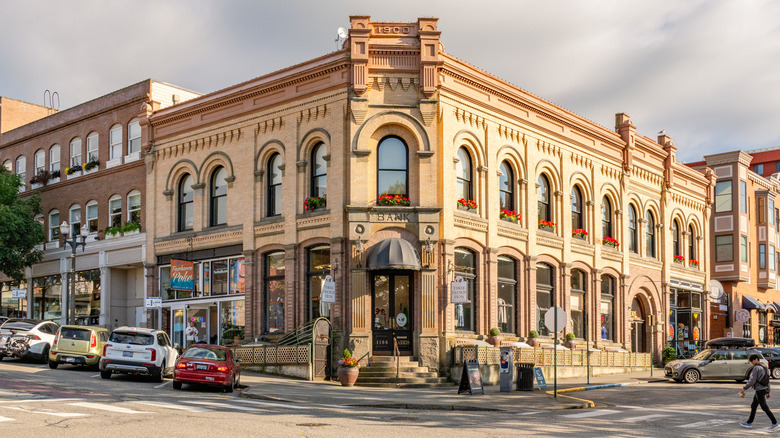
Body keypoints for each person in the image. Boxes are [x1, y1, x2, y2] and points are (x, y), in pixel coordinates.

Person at [740, 354, 780, 430]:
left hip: (759, 390)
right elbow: (767, 380)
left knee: (764, 407)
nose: (752, 363)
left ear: (756, 359)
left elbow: (752, 380)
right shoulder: (764, 367)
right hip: (763, 389)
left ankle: (775, 423)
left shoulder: (756, 368)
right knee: (754, 405)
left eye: (752, 361)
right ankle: (749, 422)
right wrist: (768, 391)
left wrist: (744, 388)